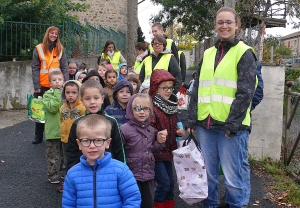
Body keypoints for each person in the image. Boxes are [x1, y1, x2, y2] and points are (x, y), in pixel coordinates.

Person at [186, 7, 257, 208]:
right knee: (207, 173)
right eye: (220, 22)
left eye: (228, 22)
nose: (224, 26)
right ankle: (210, 205)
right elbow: (197, 89)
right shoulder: (208, 53)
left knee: (233, 179)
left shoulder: (245, 53)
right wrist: (192, 119)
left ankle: (235, 205)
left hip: (229, 128)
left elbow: (245, 92)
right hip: (206, 125)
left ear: (237, 25)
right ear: (215, 25)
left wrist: (232, 124)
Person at [62, 114, 141, 207]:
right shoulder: (72, 174)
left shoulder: (121, 171)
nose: (92, 146)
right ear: (79, 144)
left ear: (108, 143)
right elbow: (68, 204)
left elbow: (132, 200)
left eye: (98, 140)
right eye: (86, 140)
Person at [65, 80, 126, 178]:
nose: (92, 102)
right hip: (83, 171)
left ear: (102, 99)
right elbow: (71, 151)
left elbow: (119, 149)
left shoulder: (112, 122)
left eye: (96, 98)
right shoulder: (77, 123)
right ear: (82, 101)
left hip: (108, 171)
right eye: (87, 98)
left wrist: (122, 172)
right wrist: (70, 173)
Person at [121, 93, 167, 208]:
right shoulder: (124, 129)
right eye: (137, 108)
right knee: (132, 202)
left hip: (148, 174)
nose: (142, 112)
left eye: (146, 109)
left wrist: (160, 143)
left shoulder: (151, 130)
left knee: (148, 203)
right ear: (130, 109)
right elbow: (120, 152)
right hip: (131, 175)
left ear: (150, 111)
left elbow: (151, 149)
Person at [149, 69, 185, 207]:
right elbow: (148, 129)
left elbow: (173, 125)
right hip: (156, 152)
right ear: (155, 88)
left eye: (170, 87)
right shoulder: (152, 107)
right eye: (164, 88)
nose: (168, 91)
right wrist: (156, 134)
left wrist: (177, 132)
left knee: (170, 185)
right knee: (164, 183)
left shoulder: (171, 105)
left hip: (169, 151)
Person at [31, 26, 69, 144]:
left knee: (58, 111)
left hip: (57, 85)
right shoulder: (39, 49)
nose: (54, 35)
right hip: (42, 85)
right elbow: (35, 68)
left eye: (56, 34)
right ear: (47, 34)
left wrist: (66, 84)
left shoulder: (60, 48)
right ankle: (38, 136)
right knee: (40, 112)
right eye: (52, 33)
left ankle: (57, 134)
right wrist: (36, 86)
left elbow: (64, 67)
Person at [58, 80, 86, 192]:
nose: (70, 95)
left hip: (78, 139)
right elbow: (62, 119)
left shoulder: (82, 107)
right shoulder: (63, 107)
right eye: (67, 92)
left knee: (79, 160)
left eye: (74, 92)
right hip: (65, 139)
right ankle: (67, 182)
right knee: (67, 160)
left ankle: (80, 182)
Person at [42, 71, 64, 184]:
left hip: (65, 132)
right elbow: (53, 108)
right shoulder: (47, 95)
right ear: (50, 83)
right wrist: (56, 92)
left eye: (59, 80)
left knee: (65, 155)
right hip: (53, 131)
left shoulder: (67, 94)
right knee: (52, 156)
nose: (57, 82)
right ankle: (52, 174)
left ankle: (65, 173)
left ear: (63, 81)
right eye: (54, 80)